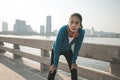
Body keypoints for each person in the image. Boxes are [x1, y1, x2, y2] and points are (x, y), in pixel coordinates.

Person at [47, 13, 85, 80]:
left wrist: (73, 61)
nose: (73, 25)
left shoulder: (81, 33)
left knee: (73, 69)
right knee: (53, 70)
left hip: (67, 50)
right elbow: (57, 46)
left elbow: (77, 48)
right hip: (56, 49)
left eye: (76, 23)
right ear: (68, 22)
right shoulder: (63, 30)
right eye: (71, 22)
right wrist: (55, 64)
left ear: (80, 24)